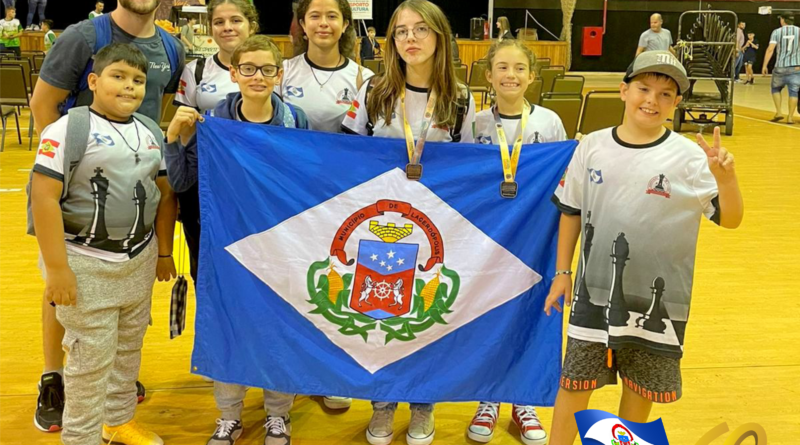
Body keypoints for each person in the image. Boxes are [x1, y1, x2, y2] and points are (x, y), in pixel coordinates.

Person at [543, 50, 743, 445]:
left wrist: (727, 179)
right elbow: (570, 211)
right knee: (575, 384)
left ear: (677, 103)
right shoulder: (592, 146)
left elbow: (731, 218)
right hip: (592, 293)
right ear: (623, 91)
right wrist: (563, 272)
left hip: (662, 302)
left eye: (666, 94)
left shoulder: (689, 156)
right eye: (644, 88)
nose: (652, 100)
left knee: (639, 390)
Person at [30, 0, 184, 433]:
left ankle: (117, 426)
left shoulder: (155, 116)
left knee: (125, 353)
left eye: (137, 80)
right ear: (95, 80)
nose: (131, 87)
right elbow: (43, 190)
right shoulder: (72, 117)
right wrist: (57, 265)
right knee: (88, 355)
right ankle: (77, 428)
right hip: (84, 250)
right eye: (118, 77)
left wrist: (163, 251)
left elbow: (164, 190)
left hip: (135, 254)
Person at [341, 1, 475, 443]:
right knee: (379, 313)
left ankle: (423, 403)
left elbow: (472, 169)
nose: (410, 39)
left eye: (420, 30)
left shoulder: (461, 99)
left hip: (435, 229)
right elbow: (342, 157)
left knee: (424, 316)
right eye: (400, 32)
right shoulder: (373, 92)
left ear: (440, 36)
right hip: (377, 227)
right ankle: (381, 402)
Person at [165, 35, 306, 445]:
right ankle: (228, 415)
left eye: (266, 69)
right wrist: (175, 139)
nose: (257, 76)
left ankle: (279, 414)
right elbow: (182, 181)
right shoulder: (214, 123)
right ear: (233, 72)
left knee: (280, 324)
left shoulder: (296, 122)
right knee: (226, 325)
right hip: (224, 247)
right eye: (248, 68)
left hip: (282, 246)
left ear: (279, 75)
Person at [467, 39, 565, 445]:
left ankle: (522, 399)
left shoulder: (550, 121)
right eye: (502, 68)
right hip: (486, 236)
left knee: (530, 310)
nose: (510, 75)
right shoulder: (474, 124)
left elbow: (563, 178)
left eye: (519, 68)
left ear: (531, 76)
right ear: (488, 76)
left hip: (534, 233)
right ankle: (488, 397)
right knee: (488, 312)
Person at [280, 0, 373, 135]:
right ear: (303, 24)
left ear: (344, 25)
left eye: (332, 16)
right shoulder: (283, 72)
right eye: (315, 16)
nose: (323, 23)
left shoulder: (363, 78)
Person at [762, 15, 800, 124]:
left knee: (775, 89)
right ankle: (790, 117)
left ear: (782, 20)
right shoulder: (799, 31)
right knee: (793, 92)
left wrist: (765, 65)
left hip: (780, 66)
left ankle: (778, 112)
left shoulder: (777, 32)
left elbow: (770, 49)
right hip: (796, 67)